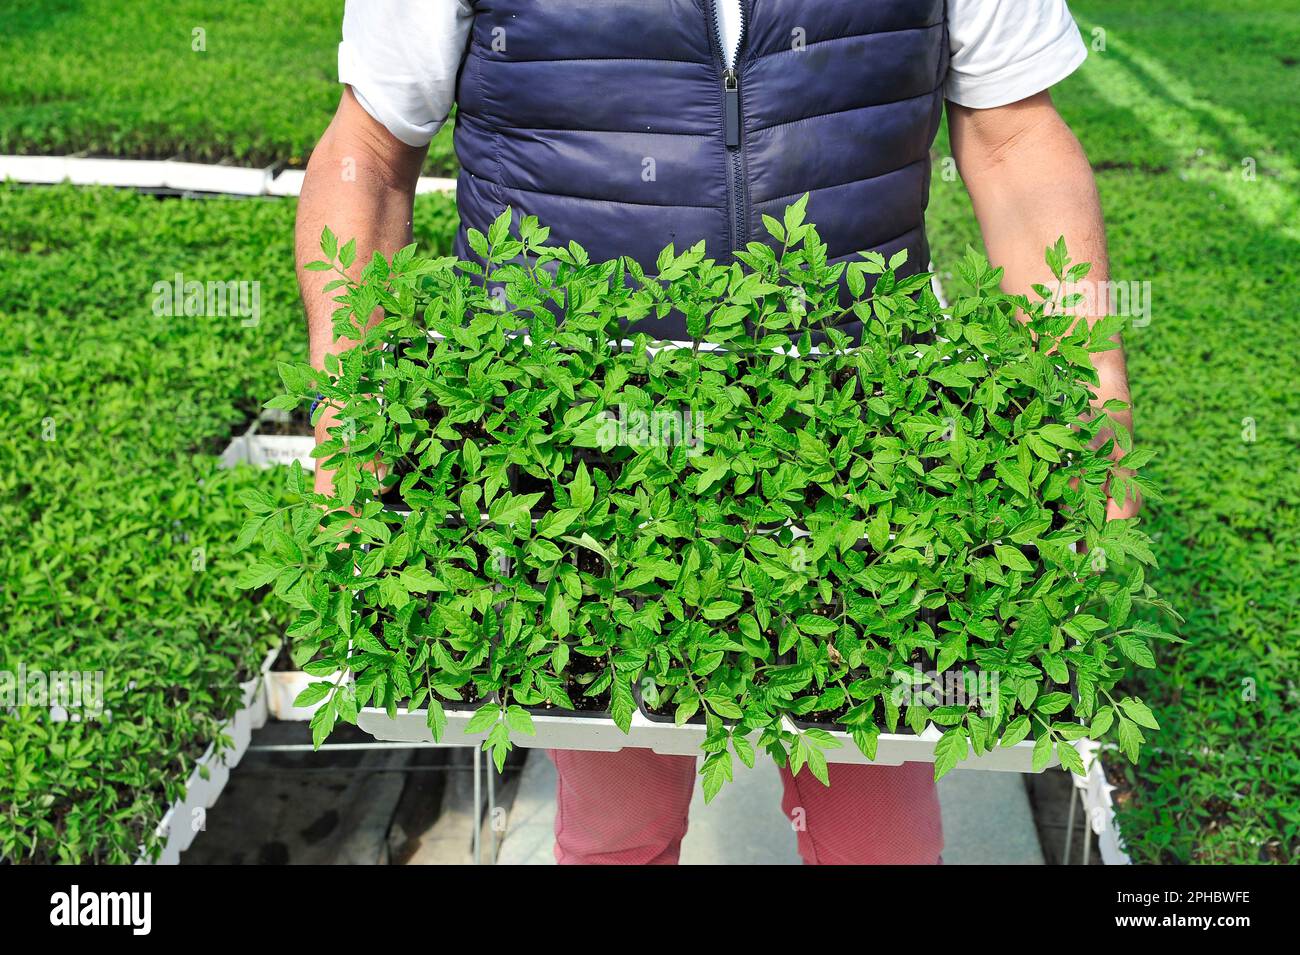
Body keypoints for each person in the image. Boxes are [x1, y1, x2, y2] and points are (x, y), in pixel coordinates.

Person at [296, 0, 1138, 865]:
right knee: (619, 822)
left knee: (877, 832)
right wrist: (347, 406)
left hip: (857, 439)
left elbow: (1013, 139)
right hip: (578, 449)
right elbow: (371, 149)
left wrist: (1093, 385)